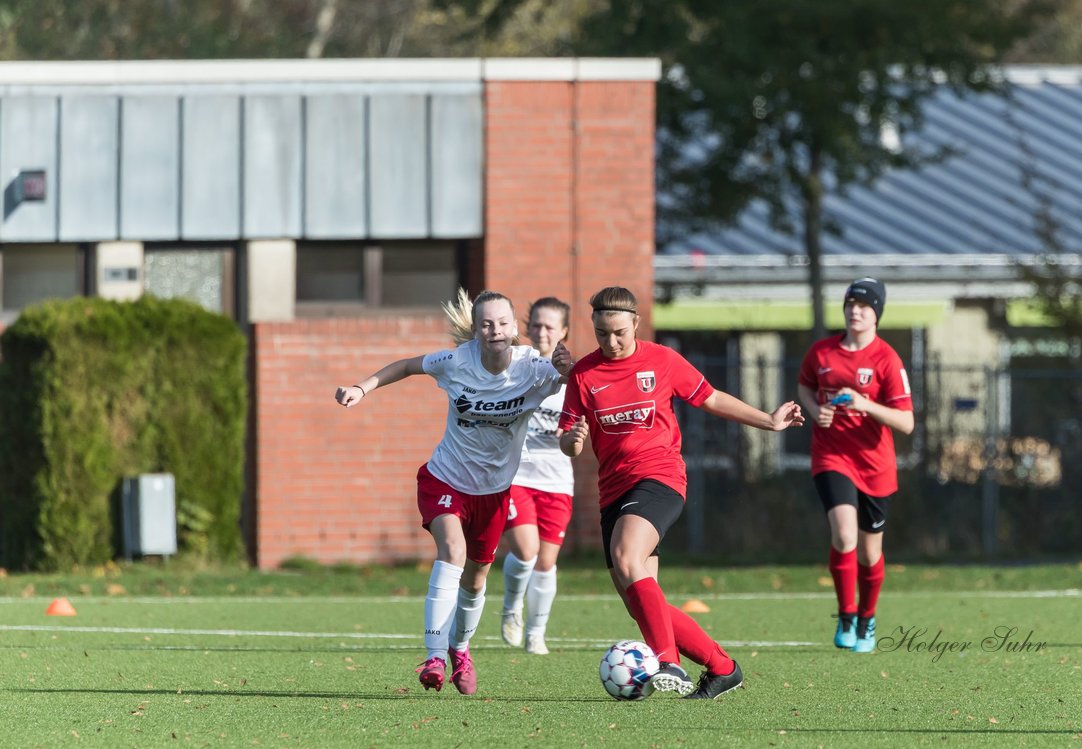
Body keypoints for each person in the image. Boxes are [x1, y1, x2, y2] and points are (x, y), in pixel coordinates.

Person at [555, 286, 805, 699]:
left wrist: (769, 421)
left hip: (660, 478)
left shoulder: (662, 360)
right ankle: (723, 668)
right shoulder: (583, 374)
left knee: (626, 556)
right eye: (602, 333)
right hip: (612, 491)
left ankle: (667, 660)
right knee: (639, 598)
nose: (611, 341)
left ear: (636, 323)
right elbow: (566, 439)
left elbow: (711, 397)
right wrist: (574, 440)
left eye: (619, 331)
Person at [335, 290, 566, 695]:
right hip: (445, 479)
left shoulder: (535, 369)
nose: (495, 330)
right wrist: (363, 387)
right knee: (453, 552)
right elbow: (407, 366)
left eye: (502, 323)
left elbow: (577, 383)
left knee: (476, 579)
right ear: (475, 331)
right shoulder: (457, 361)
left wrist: (569, 368)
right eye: (486, 324)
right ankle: (435, 655)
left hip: (494, 492)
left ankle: (460, 649)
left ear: (515, 329)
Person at [796, 277, 914, 653]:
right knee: (844, 535)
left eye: (864, 306)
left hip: (876, 466)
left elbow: (906, 422)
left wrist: (867, 406)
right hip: (832, 456)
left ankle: (867, 617)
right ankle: (846, 615)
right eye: (850, 304)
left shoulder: (887, 360)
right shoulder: (822, 353)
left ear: (876, 313)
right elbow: (804, 387)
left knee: (869, 553)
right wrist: (817, 411)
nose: (855, 311)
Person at [497, 296, 574, 655]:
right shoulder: (516, 367)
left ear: (564, 332)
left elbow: (581, 431)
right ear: (526, 329)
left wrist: (573, 436)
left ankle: (536, 632)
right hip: (517, 476)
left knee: (546, 561)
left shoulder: (574, 379)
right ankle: (512, 607)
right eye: (537, 325)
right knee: (526, 551)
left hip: (557, 481)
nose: (542, 332)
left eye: (550, 327)